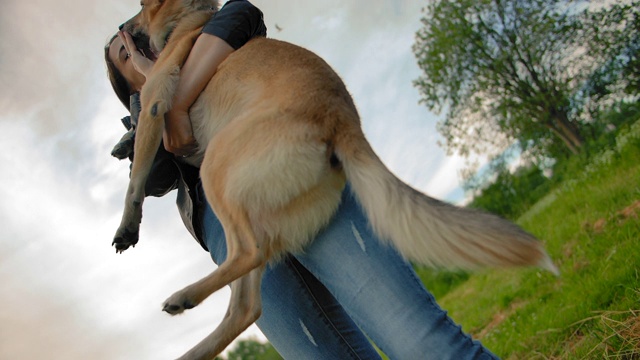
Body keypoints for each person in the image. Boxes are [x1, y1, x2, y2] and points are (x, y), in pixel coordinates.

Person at [105, 1, 499, 358]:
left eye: (134, 34)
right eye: (124, 53)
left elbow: (241, 14)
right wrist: (147, 103)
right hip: (231, 217)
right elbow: (155, 172)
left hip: (289, 150)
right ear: (124, 84)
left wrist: (163, 93)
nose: (133, 34)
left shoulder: (205, 31)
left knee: (423, 344)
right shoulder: (142, 110)